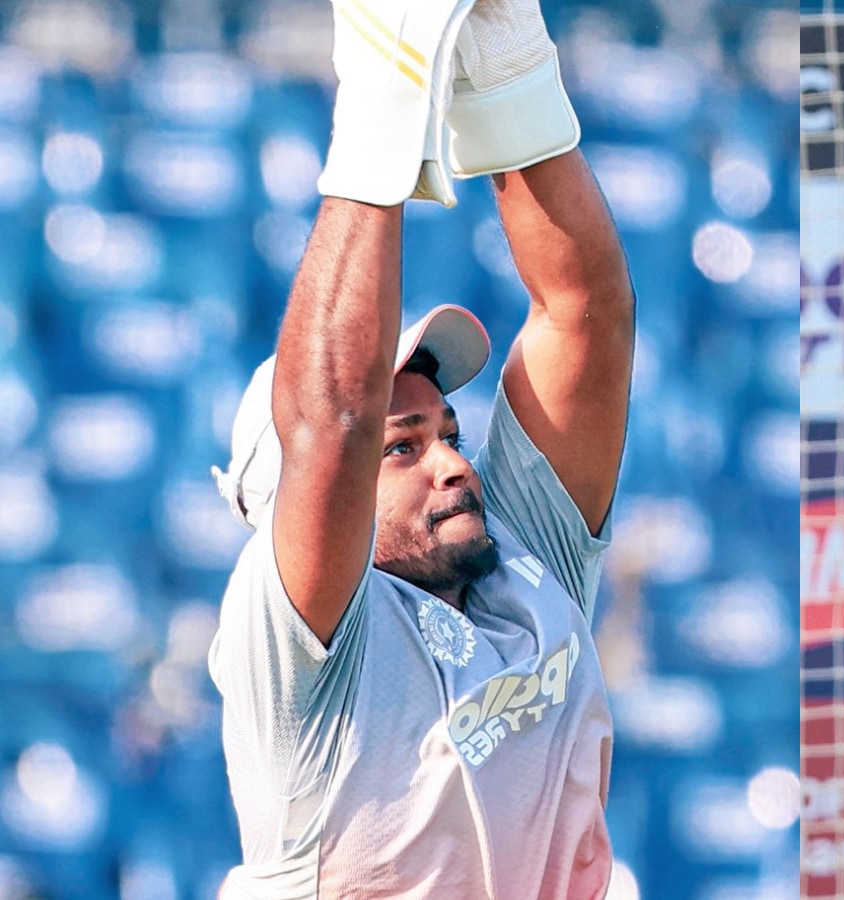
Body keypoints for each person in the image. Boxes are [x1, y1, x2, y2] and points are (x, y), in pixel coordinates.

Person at [206, 0, 634, 895]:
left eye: (449, 432)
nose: (452, 462)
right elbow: (333, 423)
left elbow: (583, 311)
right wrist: (383, 92)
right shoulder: (303, 654)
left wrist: (509, 72)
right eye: (402, 449)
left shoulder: (522, 558)